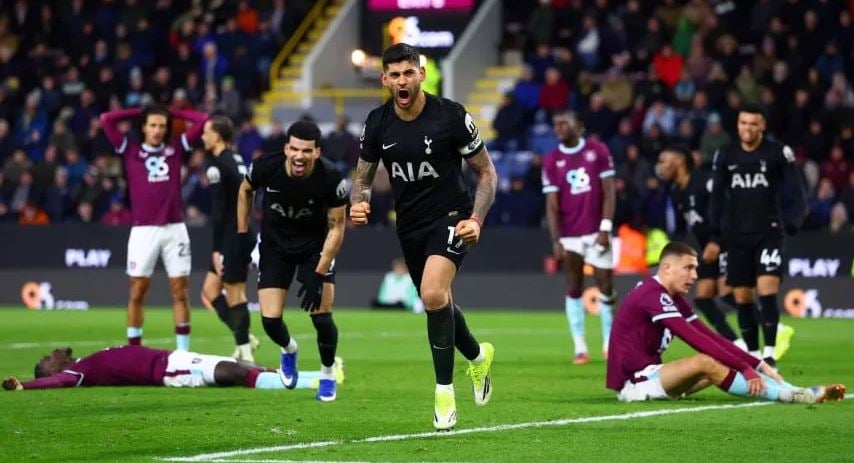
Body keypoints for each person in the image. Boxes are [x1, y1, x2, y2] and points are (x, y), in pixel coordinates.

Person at [351, 43, 497, 430]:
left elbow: (486, 172)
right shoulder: (378, 122)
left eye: (408, 73)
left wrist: (476, 219)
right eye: (394, 75)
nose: (402, 81)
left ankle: (444, 393)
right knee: (438, 301)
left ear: (421, 74)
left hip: (452, 216)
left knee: (432, 294)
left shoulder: (450, 116)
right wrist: (359, 202)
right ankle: (478, 357)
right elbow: (362, 177)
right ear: (385, 80)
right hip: (410, 225)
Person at [606, 242, 845, 404]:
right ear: (667, 268)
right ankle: (788, 396)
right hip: (635, 383)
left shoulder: (672, 297)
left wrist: (758, 364)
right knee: (705, 361)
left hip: (653, 375)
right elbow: (694, 339)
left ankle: (793, 389)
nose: (694, 276)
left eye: (695, 269)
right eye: (688, 268)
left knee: (718, 357)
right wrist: (745, 368)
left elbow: (708, 336)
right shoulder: (652, 295)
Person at [237, 120, 346, 402]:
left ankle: (327, 373)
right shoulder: (265, 167)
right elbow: (245, 190)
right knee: (270, 321)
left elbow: (337, 227)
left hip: (314, 249)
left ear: (317, 152)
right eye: (294, 149)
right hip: (275, 248)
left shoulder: (331, 177)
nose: (300, 156)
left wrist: (319, 272)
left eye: (307, 151)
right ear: (286, 148)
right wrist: (242, 234)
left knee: (322, 317)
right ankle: (289, 350)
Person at [705, 103, 807, 368]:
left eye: (753, 123)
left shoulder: (777, 152)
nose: (747, 128)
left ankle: (770, 354)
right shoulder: (725, 154)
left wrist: (794, 220)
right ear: (737, 125)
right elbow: (717, 197)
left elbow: (797, 190)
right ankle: (753, 356)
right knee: (742, 297)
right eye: (743, 123)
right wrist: (715, 234)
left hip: (768, 233)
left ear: (762, 126)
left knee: (766, 289)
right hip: (737, 236)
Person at [100, 105, 208, 350]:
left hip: (175, 229)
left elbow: (202, 119)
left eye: (162, 125)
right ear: (144, 127)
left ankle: (182, 352)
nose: (158, 130)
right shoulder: (130, 149)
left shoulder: (176, 148)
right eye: (152, 125)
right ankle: (134, 350)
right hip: (143, 231)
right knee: (137, 291)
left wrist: (169, 111)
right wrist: (142, 110)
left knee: (180, 292)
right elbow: (107, 119)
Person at [542, 110, 616, 365]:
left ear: (579, 126)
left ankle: (609, 342)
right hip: (570, 235)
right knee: (573, 286)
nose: (560, 128)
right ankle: (580, 347)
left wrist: (606, 228)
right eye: (556, 124)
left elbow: (609, 192)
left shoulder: (598, 151)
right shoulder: (552, 159)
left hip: (597, 230)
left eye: (565, 123)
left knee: (605, 283)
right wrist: (556, 240)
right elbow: (552, 204)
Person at [656, 146, 744, 347]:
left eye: (664, 161)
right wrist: (673, 252)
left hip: (726, 242)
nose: (660, 167)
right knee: (703, 298)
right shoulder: (677, 191)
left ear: (679, 161)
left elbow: (727, 213)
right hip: (707, 248)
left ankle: (773, 325)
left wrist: (716, 241)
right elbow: (680, 229)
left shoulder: (705, 183)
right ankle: (737, 343)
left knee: (727, 293)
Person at [2, 346, 343, 391]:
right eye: (45, 359)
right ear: (50, 371)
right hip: (168, 372)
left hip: (172, 357)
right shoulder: (77, 373)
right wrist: (25, 385)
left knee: (240, 364)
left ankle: (320, 376)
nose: (49, 354)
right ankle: (306, 385)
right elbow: (60, 383)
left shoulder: (83, 361)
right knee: (233, 373)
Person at [200, 115, 259, 363]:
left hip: (233, 236)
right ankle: (244, 336)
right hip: (238, 232)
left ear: (216, 136)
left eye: (206, 132)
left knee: (234, 292)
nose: (202, 136)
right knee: (210, 291)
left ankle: (245, 352)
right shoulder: (235, 158)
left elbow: (219, 209)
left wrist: (218, 248)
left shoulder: (216, 165)